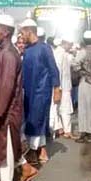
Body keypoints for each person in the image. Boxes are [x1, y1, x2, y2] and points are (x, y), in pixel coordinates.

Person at [0, 14, 38, 181]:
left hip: (7, 110)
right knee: (7, 145)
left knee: (4, 146)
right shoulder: (5, 51)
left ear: (5, 32)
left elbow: (6, 86)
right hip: (3, 108)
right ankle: (25, 168)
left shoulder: (8, 54)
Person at [19, 19, 61, 164]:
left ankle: (35, 150)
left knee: (38, 120)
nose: (21, 36)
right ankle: (38, 151)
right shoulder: (27, 50)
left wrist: (57, 88)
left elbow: (53, 69)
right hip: (28, 92)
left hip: (41, 91)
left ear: (29, 32)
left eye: (22, 33)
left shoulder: (44, 48)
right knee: (30, 120)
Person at [51, 38, 74, 139]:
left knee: (57, 108)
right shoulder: (61, 54)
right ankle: (67, 131)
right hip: (62, 86)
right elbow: (58, 70)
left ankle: (59, 128)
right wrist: (58, 87)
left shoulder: (57, 52)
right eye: (70, 44)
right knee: (65, 108)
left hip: (59, 85)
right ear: (66, 43)